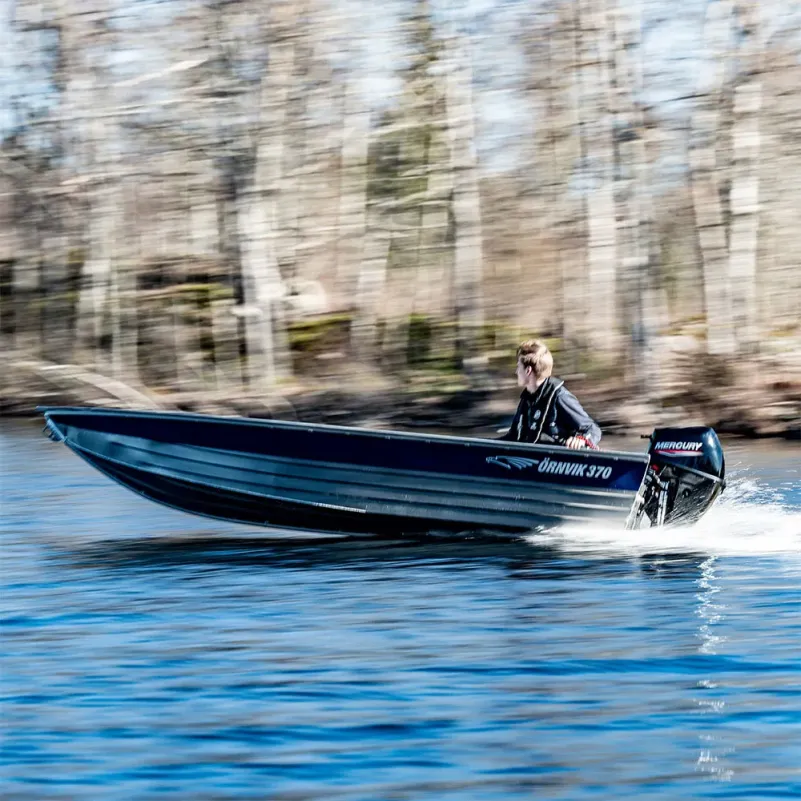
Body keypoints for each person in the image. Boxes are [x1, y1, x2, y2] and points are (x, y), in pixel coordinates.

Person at [500, 339, 601, 449]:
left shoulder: (560, 397)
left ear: (528, 370)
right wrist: (479, 445)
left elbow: (592, 429)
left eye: (518, 367)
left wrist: (581, 439)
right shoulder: (527, 400)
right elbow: (512, 438)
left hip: (556, 462)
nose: (516, 372)